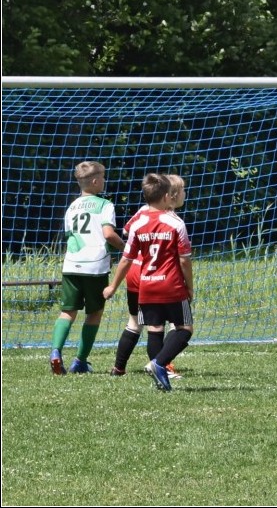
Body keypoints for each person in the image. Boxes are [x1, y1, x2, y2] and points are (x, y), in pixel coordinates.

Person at [105, 173, 194, 391]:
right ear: (167, 196)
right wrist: (189, 285)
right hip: (170, 284)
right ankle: (159, 364)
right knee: (184, 328)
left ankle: (158, 374)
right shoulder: (175, 223)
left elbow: (126, 258)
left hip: (145, 284)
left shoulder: (138, 223)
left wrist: (113, 285)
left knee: (154, 329)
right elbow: (184, 259)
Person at [50, 161, 126, 374]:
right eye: (103, 177)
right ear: (94, 181)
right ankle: (80, 361)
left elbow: (70, 237)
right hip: (94, 267)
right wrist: (125, 247)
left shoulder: (72, 207)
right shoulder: (105, 205)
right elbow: (108, 234)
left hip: (71, 265)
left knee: (67, 312)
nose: (104, 181)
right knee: (94, 312)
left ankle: (56, 351)